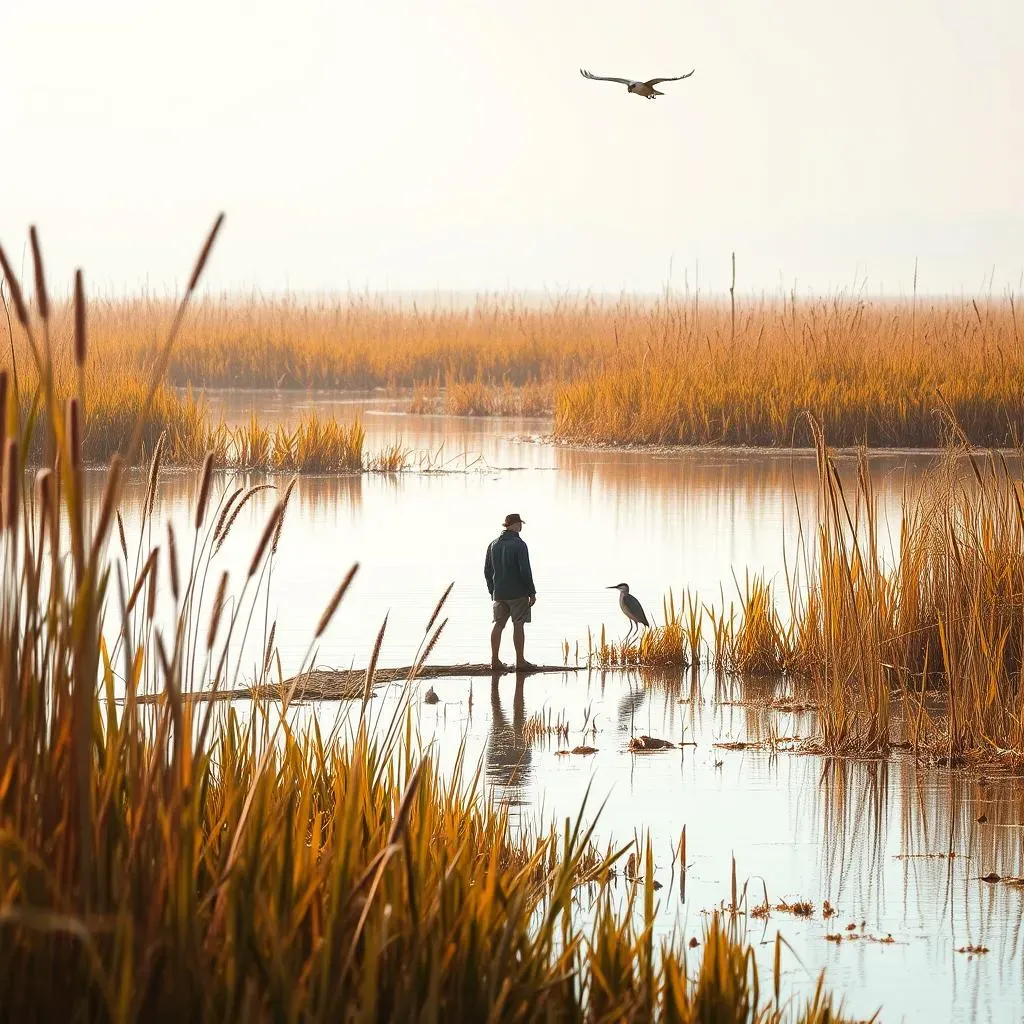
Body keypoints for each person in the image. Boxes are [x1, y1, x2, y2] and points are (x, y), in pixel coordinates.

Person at [484, 513, 537, 671]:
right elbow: (525, 570)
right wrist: (531, 592)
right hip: (518, 592)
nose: (521, 526)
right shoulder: (519, 544)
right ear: (514, 525)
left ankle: (494, 661)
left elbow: (487, 571)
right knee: (518, 624)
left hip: (499, 593)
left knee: (498, 624)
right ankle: (520, 662)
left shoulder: (493, 544)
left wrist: (492, 590)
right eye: (520, 523)